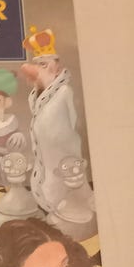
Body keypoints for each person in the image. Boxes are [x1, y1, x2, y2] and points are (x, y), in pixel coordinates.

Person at [21, 26, 93, 214]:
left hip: (65, 153)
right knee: (49, 185)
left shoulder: (64, 91)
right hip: (46, 154)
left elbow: (74, 122)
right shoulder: (35, 96)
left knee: (68, 188)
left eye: (44, 65)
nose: (39, 69)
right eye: (39, 65)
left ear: (56, 68)